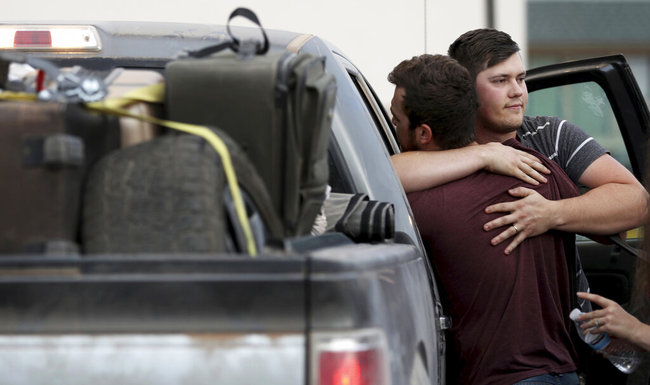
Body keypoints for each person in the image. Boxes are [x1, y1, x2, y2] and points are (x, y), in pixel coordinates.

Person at [389, 53, 581, 385]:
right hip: (563, 372)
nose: (391, 130)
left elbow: (375, 176)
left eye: (395, 121)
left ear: (423, 134)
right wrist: (484, 152)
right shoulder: (538, 169)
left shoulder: (419, 205)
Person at [391, 28, 648, 255]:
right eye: (500, 80)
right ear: (467, 90)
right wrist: (485, 155)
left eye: (521, 78)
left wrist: (550, 214)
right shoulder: (444, 143)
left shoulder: (551, 134)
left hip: (572, 308)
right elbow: (385, 174)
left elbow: (637, 200)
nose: (517, 91)